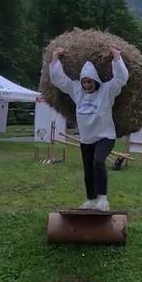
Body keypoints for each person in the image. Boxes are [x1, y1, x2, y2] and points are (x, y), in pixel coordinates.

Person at [49, 45, 129, 211]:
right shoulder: (76, 89)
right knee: (88, 170)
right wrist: (55, 59)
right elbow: (59, 80)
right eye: (84, 81)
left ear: (95, 80)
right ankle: (91, 199)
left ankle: (103, 200)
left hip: (105, 136)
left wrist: (116, 58)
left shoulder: (107, 90)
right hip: (86, 139)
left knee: (98, 162)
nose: (87, 85)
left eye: (89, 81)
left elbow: (121, 78)